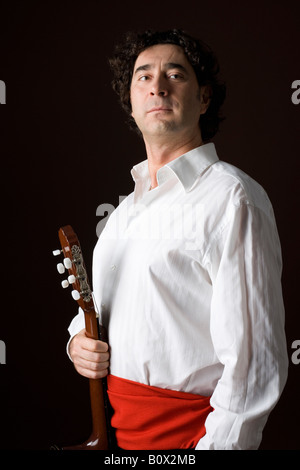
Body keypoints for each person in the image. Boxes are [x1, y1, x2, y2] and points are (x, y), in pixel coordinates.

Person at [67, 29, 288, 450]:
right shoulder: (122, 217)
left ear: (204, 99)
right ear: (131, 103)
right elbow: (112, 315)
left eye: (175, 74)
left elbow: (254, 369)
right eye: (143, 77)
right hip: (119, 442)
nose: (158, 86)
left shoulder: (232, 198)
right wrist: (77, 341)